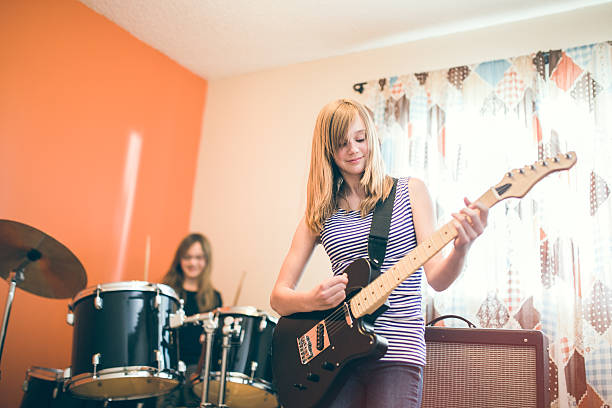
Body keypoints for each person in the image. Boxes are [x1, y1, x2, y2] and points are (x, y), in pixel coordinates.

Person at [269, 98, 489, 407]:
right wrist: (312, 299)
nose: (354, 150)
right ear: (327, 152)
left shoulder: (410, 190)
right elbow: (278, 297)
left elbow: (437, 279)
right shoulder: (318, 215)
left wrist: (461, 248)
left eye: (360, 139)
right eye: (342, 144)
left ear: (372, 136)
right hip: (336, 358)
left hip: (398, 352)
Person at [158, 233, 223, 408]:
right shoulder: (165, 292)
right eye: (187, 257)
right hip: (167, 365)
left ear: (206, 260)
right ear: (179, 259)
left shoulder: (215, 298)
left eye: (199, 257)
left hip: (197, 368)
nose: (193, 263)